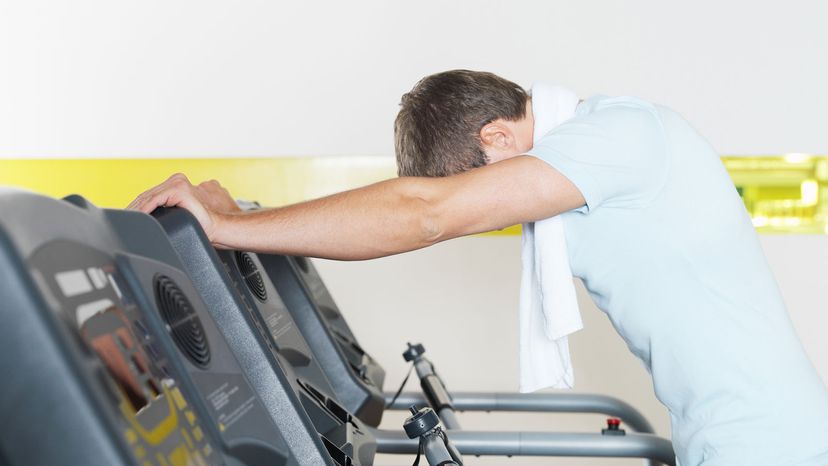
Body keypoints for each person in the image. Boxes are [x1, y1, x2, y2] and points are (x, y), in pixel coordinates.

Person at [129, 70, 828, 466]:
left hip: (764, 446)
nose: (492, 218)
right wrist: (248, 223)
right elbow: (415, 208)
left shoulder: (619, 136)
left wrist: (227, 229)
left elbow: (424, 213)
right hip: (735, 435)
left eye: (478, 188)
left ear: (497, 135)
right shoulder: (608, 140)